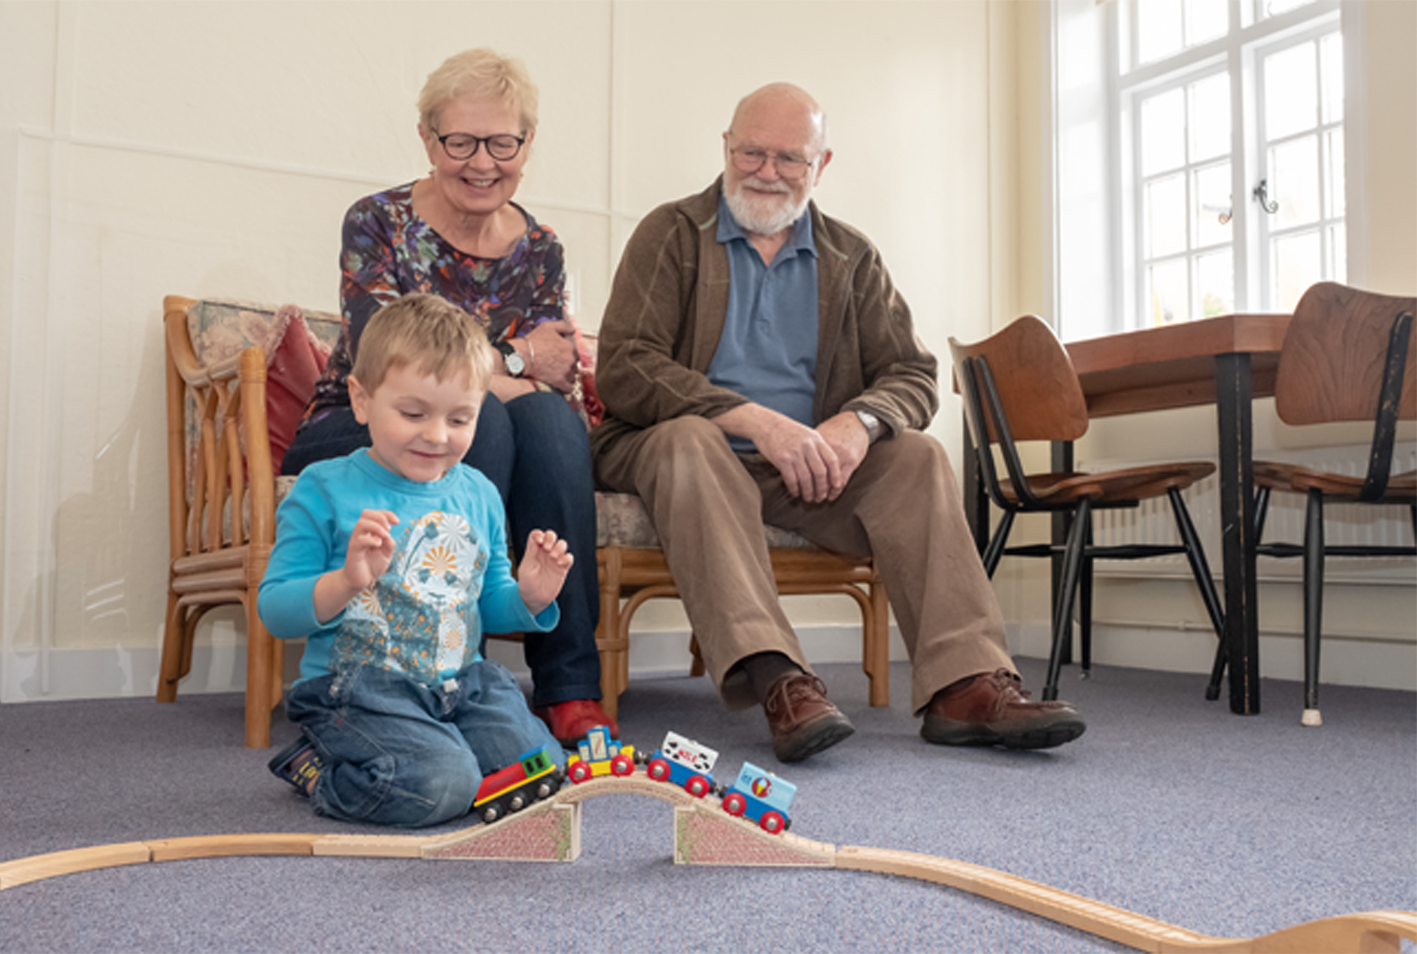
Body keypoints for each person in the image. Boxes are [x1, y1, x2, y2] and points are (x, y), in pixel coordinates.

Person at [591, 83, 1086, 764]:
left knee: (916, 455)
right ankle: (780, 678)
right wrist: (754, 421)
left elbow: (912, 373)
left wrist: (857, 424)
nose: (766, 171)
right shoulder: (671, 234)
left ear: (820, 164)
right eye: (751, 153)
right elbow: (625, 365)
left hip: (804, 473)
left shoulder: (851, 258)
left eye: (788, 158)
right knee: (690, 438)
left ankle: (964, 684)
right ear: (726, 148)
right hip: (682, 457)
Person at [280, 48, 613, 745]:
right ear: (429, 139)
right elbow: (386, 358)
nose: (482, 162)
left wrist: (503, 376)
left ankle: (571, 688)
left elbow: (553, 378)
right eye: (461, 141)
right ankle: (453, 672)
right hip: (360, 424)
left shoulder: (541, 248)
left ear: (527, 143)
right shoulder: (377, 222)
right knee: (480, 415)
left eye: (502, 142)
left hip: (477, 422)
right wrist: (515, 357)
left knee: (550, 424)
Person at [258, 294, 572, 827]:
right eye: (413, 414)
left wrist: (530, 598)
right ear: (361, 401)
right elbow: (275, 610)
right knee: (440, 786)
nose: (437, 436)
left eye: (460, 418)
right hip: (357, 691)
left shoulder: (479, 493)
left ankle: (440, 744)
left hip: (461, 686)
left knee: (540, 770)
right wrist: (346, 581)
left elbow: (487, 602)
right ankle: (317, 768)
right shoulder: (323, 488)